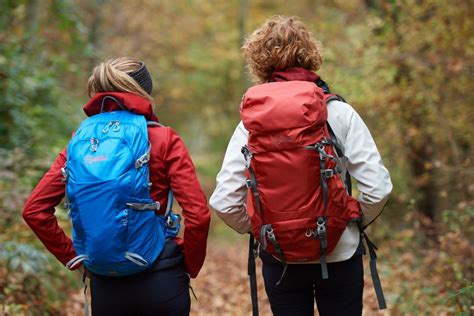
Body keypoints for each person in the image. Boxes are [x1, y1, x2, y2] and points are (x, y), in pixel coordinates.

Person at [210, 16, 392, 315]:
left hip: (279, 257)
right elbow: (378, 188)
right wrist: (352, 222)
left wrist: (264, 230)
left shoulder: (251, 123)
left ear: (259, 60)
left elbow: (224, 202)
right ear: (310, 55)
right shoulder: (339, 112)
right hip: (339, 251)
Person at [23, 57, 211, 315]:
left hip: (106, 284)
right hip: (162, 277)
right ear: (144, 91)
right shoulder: (162, 138)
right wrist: (188, 264)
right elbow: (198, 215)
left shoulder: (81, 142)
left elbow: (34, 210)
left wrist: (75, 259)